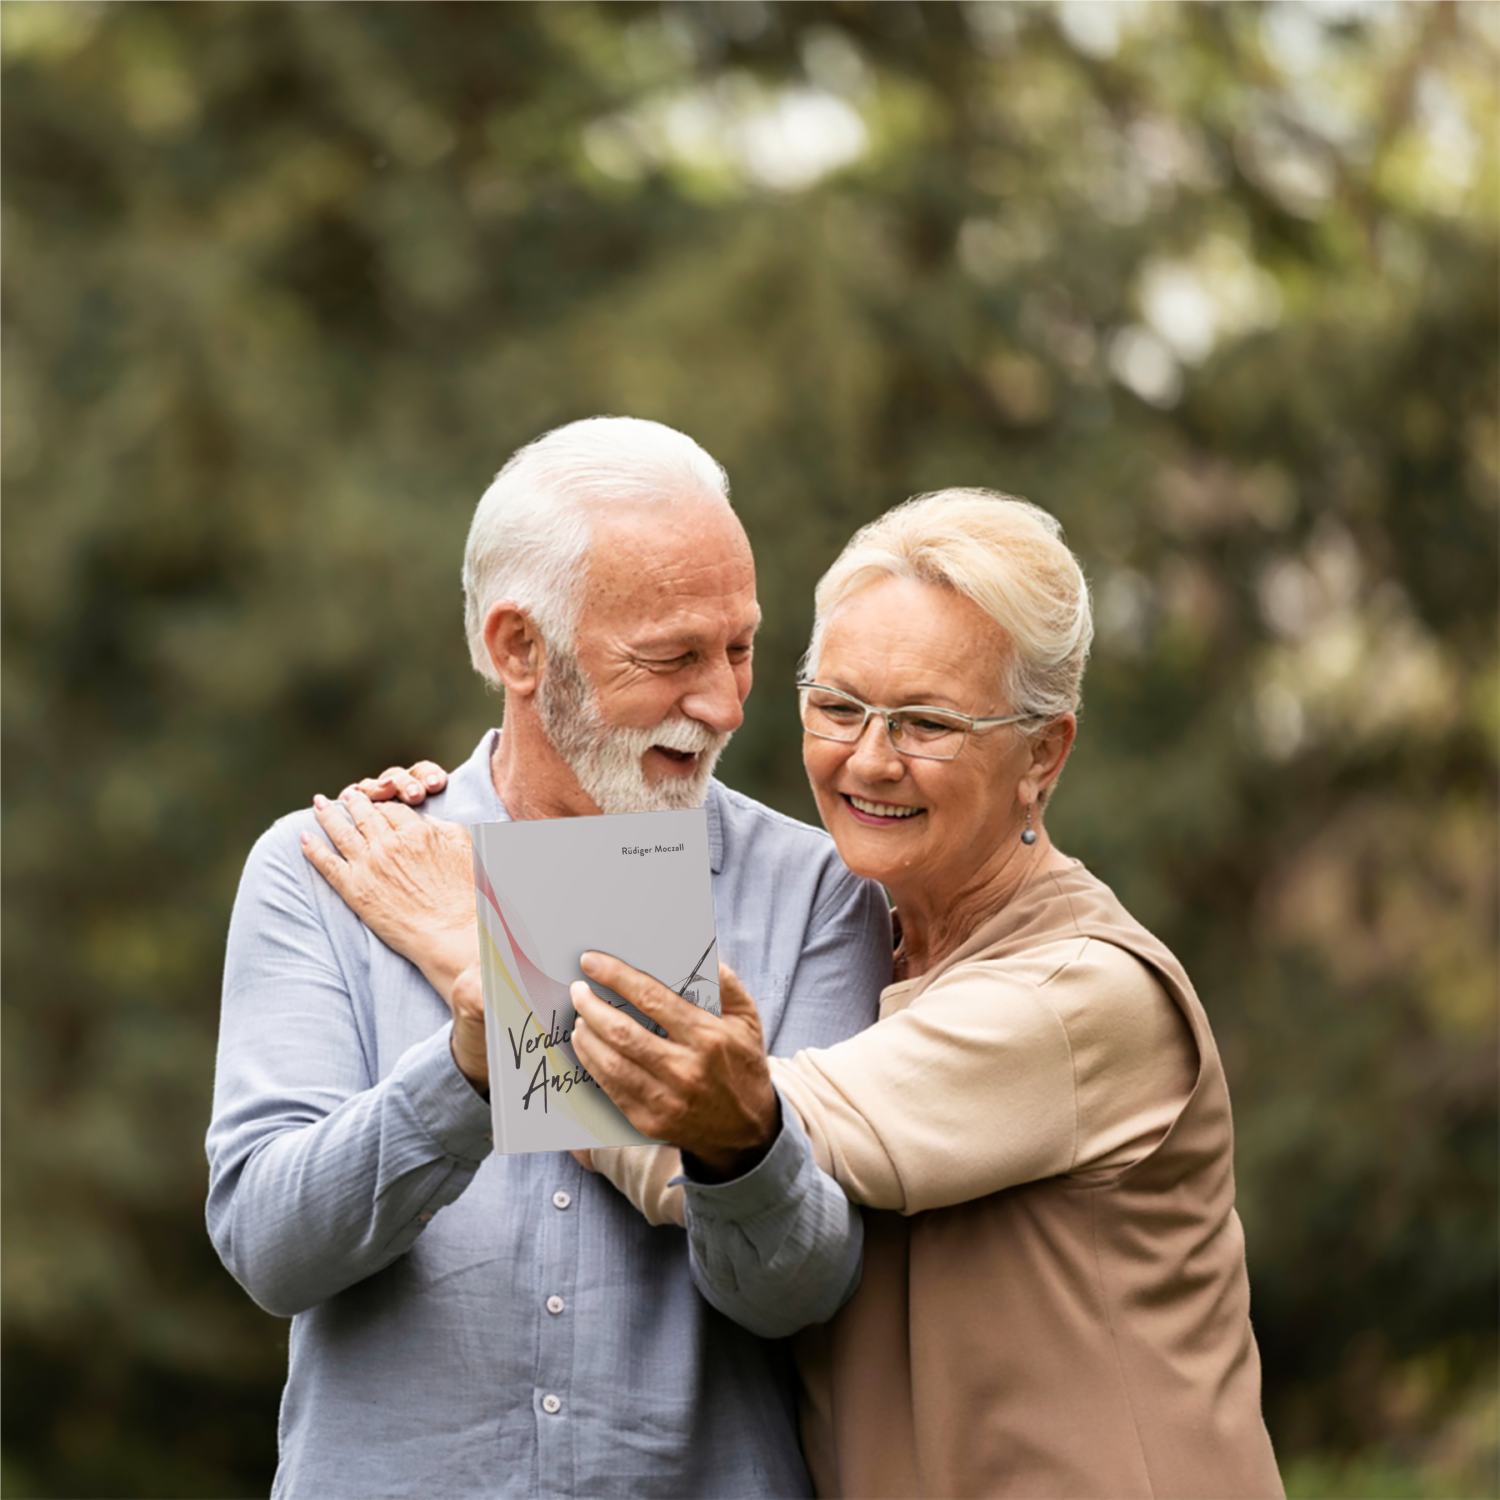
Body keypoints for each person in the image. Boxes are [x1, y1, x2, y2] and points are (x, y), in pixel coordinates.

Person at [360, 489, 1285, 1499]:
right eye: (838, 706)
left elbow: (712, 1127)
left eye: (927, 722)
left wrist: (476, 931)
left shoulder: (1078, 994)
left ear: (1043, 753)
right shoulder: (852, 938)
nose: (870, 757)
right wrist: (492, 807)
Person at [205, 416, 892, 1500]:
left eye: (742, 647)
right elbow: (270, 1250)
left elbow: (805, 1294)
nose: (721, 704)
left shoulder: (816, 893)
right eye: (670, 658)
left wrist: (741, 1145)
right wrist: (466, 1075)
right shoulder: (324, 867)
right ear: (519, 648)